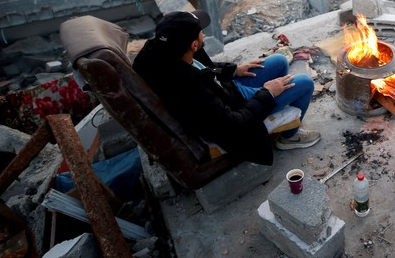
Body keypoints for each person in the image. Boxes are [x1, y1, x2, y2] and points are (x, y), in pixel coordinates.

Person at [133, 10, 320, 166]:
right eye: (200, 32)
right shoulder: (191, 90)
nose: (204, 33)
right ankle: (288, 137)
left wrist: (234, 70)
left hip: (225, 89)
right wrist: (268, 93)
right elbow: (234, 124)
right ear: (194, 44)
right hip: (237, 108)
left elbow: (205, 67)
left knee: (279, 61)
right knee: (304, 82)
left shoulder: (164, 51)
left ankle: (278, 105)